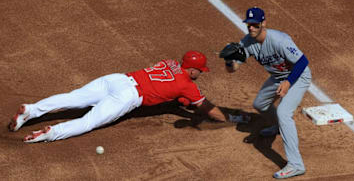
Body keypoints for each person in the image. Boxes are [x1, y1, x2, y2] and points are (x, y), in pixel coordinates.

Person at [9, 50, 249, 143]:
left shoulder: (169, 63)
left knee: (72, 98)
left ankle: (30, 110)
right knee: (89, 121)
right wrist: (225, 119)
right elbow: (207, 108)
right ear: (193, 69)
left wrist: (181, 101)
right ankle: (51, 133)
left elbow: (168, 87)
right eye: (200, 70)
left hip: (116, 79)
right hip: (127, 96)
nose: (200, 74)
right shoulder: (187, 85)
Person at [219, 7, 311, 179]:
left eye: (254, 25)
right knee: (259, 104)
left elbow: (303, 62)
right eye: (249, 25)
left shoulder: (279, 40)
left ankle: (296, 164)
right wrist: (229, 61)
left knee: (284, 112)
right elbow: (233, 69)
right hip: (278, 77)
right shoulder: (247, 42)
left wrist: (288, 82)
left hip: (297, 77)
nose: (251, 28)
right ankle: (277, 127)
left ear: (263, 23)